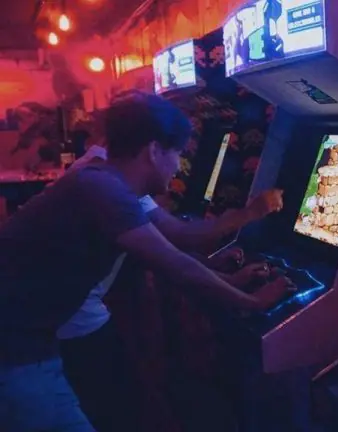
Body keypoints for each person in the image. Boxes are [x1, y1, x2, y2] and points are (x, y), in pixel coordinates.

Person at [0, 94, 291, 432]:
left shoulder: (102, 181)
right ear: (154, 151)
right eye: (178, 153)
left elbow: (168, 248)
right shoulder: (103, 191)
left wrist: (230, 278)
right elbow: (176, 266)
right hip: (15, 349)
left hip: (30, 339)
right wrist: (253, 301)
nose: (179, 166)